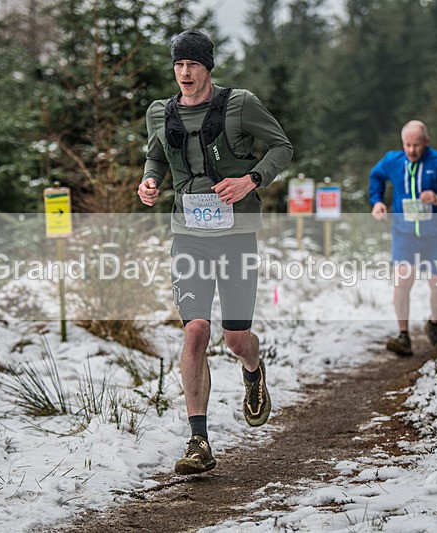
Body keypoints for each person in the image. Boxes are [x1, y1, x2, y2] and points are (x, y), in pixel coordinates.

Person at [137, 29, 293, 475]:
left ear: (207, 67)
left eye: (193, 64)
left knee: (236, 339)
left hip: (237, 233)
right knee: (195, 333)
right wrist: (150, 182)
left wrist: (252, 180)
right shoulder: (159, 112)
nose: (185, 72)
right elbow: (156, 157)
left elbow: (282, 147)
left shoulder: (240, 104)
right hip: (187, 234)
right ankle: (198, 440)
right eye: (178, 64)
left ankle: (253, 370)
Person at [369, 120, 437, 356]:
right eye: (407, 145)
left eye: (417, 145)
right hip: (404, 234)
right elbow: (376, 176)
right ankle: (403, 336)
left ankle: (433, 323)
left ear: (427, 142)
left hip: (435, 235)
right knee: (403, 282)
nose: (412, 150)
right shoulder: (393, 161)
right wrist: (377, 201)